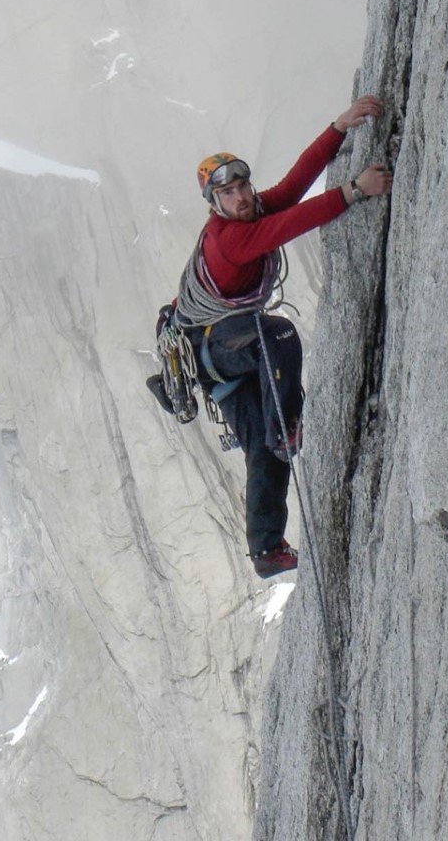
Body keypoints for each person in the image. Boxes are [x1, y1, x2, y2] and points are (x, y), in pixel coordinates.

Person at [165, 94, 393, 578]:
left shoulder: (248, 214)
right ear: (215, 203)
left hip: (216, 361)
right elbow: (293, 222)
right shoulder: (230, 240)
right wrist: (355, 191)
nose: (243, 196)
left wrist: (339, 127)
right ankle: (285, 427)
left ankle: (266, 549)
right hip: (215, 346)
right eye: (229, 193)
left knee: (266, 455)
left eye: (244, 186)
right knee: (281, 338)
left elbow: (290, 189)